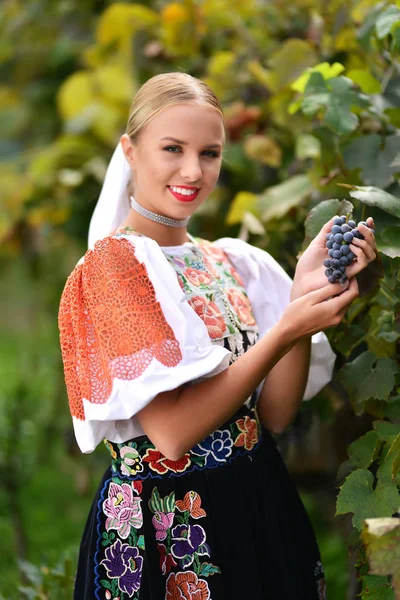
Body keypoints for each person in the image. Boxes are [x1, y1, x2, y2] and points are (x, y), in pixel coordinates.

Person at [58, 72, 377, 600]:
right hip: (168, 525)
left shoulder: (230, 261)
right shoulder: (115, 269)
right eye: (172, 149)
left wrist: (299, 301)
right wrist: (282, 333)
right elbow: (173, 433)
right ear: (130, 152)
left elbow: (272, 415)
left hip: (255, 500)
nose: (193, 170)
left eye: (209, 153)